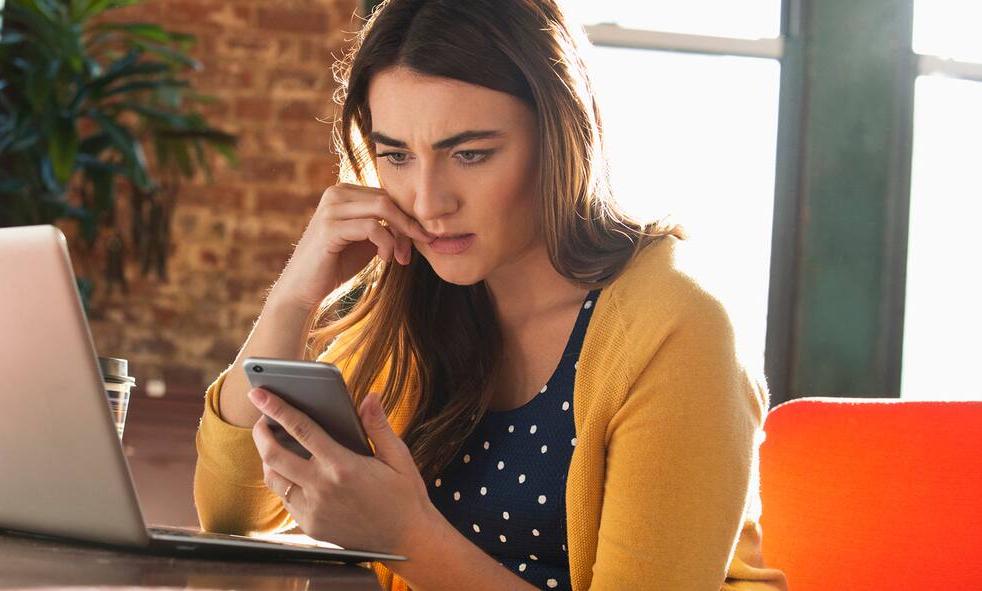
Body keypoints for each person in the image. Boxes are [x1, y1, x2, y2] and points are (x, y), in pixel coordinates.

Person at [193, 0, 790, 589]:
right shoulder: (422, 297)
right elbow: (230, 516)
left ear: (560, 139)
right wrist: (293, 299)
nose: (428, 202)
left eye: (470, 154)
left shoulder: (677, 326)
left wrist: (406, 539)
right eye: (396, 155)